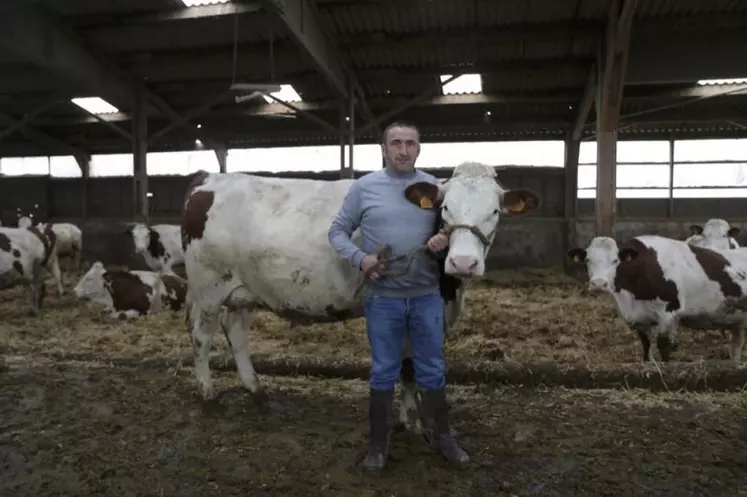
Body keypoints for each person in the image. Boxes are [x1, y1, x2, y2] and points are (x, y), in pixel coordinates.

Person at [328, 120, 470, 470]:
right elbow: (337, 231)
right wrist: (361, 259)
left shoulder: (436, 189)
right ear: (384, 148)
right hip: (383, 299)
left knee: (432, 369)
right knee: (383, 371)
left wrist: (442, 244)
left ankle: (444, 438)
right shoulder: (365, 188)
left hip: (426, 297)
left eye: (410, 143)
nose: (403, 150)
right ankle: (378, 447)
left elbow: (449, 236)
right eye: (396, 143)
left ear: (419, 149)